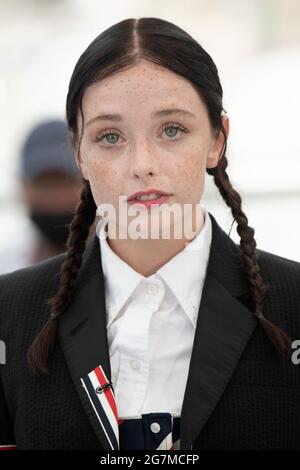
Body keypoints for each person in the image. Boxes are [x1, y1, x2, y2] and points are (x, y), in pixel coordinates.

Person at [0, 17, 299, 451]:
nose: (142, 163)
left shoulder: (293, 306)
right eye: (110, 136)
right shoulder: (8, 316)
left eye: (172, 130)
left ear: (217, 139)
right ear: (78, 153)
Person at [0, 119, 95, 274]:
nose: (57, 199)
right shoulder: (6, 267)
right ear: (24, 188)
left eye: (67, 181)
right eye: (45, 184)